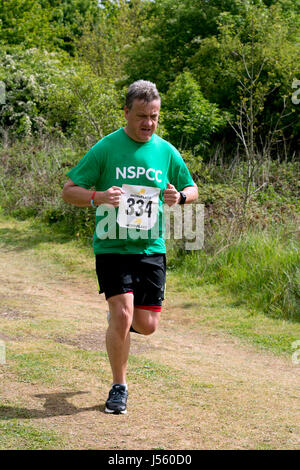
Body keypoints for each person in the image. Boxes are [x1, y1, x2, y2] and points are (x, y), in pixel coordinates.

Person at [62, 80, 198, 414]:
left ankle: (117, 324)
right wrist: (98, 197)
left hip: (151, 247)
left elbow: (192, 187)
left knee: (147, 326)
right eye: (141, 116)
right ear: (126, 112)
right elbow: (69, 190)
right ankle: (119, 386)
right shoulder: (106, 148)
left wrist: (179, 197)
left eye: (153, 116)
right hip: (112, 246)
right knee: (122, 315)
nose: (148, 123)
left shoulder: (165, 151)